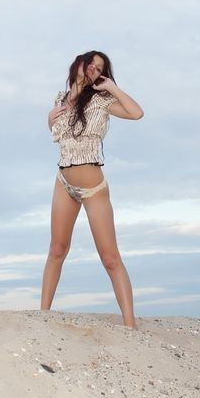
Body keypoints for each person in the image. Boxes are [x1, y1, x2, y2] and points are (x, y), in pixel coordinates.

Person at [40, 50, 144, 328]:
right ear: (79, 63)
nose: (94, 70)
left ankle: (130, 326)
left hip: (93, 187)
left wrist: (112, 87)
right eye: (91, 64)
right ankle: (42, 318)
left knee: (110, 258)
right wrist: (50, 117)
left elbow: (136, 113)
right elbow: (58, 135)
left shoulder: (102, 100)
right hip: (63, 182)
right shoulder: (60, 100)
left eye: (100, 69)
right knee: (57, 249)